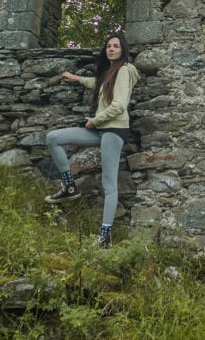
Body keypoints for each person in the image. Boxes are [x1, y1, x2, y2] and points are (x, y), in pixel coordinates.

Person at [44, 31, 139, 247]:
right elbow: (97, 83)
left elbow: (119, 106)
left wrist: (95, 121)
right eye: (108, 46)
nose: (111, 49)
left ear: (123, 49)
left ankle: (104, 237)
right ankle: (69, 187)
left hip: (113, 130)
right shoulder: (109, 73)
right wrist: (77, 78)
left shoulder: (124, 70)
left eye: (116, 46)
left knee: (109, 185)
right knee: (53, 138)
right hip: (100, 128)